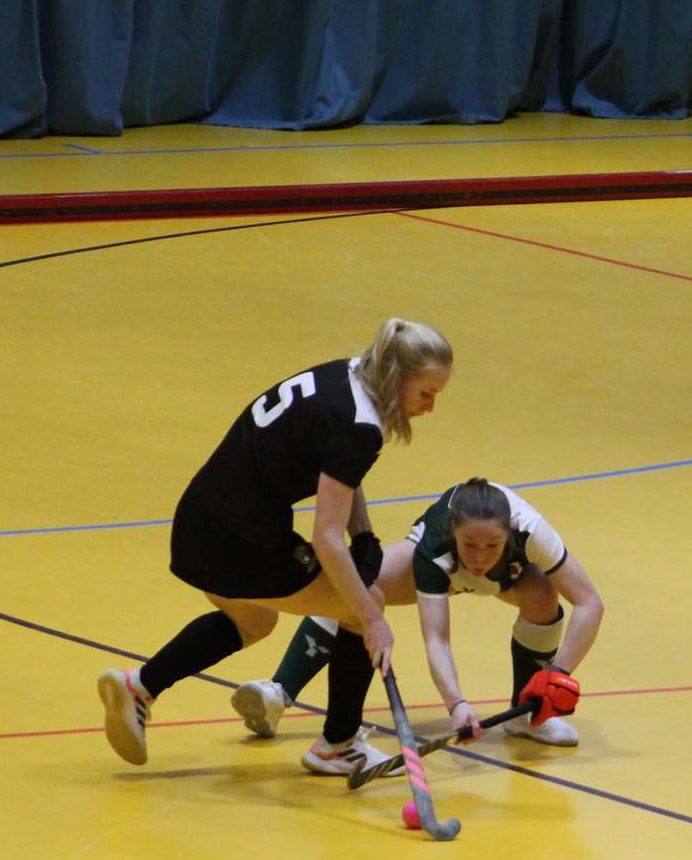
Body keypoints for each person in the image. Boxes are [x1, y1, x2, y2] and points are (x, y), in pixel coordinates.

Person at [96, 318, 454, 773]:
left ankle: (138, 686)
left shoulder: (347, 374)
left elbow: (340, 472)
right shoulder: (360, 425)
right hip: (241, 540)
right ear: (397, 378)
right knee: (366, 605)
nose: (430, 407)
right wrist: (370, 618)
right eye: (427, 393)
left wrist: (363, 535)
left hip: (199, 520)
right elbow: (326, 538)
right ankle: (338, 744)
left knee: (253, 620)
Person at [231, 476, 598, 756]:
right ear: (453, 533)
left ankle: (525, 715)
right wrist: (457, 704)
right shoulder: (433, 548)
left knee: (541, 594)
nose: (481, 556)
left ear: (510, 538)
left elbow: (589, 603)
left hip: (509, 577)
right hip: (441, 569)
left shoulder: (532, 531)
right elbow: (436, 638)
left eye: (492, 546)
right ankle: (279, 692)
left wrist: (556, 674)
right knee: (358, 589)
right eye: (470, 545)